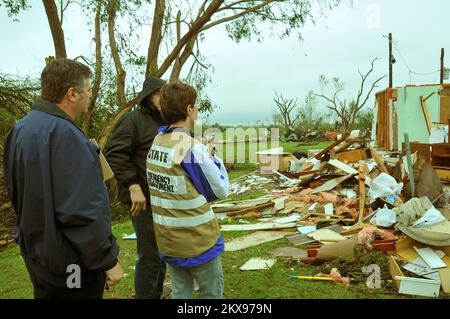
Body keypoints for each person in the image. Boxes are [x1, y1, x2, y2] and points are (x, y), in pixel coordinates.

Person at [3, 58, 123, 299]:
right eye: (88, 90)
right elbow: (80, 210)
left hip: (39, 257)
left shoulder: (21, 129)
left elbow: (15, 191)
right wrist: (107, 259)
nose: (90, 96)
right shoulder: (66, 136)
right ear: (72, 93)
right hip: (71, 265)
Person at [146, 81, 229, 299]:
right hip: (198, 241)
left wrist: (197, 148)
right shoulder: (190, 147)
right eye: (197, 107)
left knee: (180, 293)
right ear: (189, 109)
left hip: (169, 239)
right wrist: (209, 155)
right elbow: (219, 189)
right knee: (211, 294)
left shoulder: (158, 141)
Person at [105, 77, 167, 299]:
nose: (164, 98)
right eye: (160, 94)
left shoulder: (167, 122)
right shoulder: (133, 120)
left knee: (162, 255)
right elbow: (114, 154)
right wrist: (133, 185)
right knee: (150, 256)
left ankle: (155, 294)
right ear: (149, 97)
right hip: (141, 200)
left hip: (163, 200)